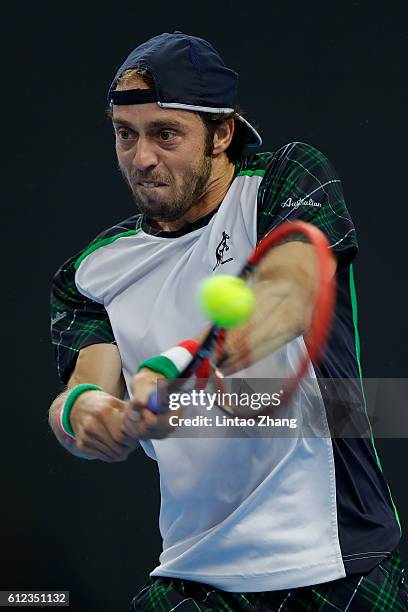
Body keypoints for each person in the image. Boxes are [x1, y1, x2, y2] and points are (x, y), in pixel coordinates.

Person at [49, 32, 407, 611]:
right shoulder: (91, 271)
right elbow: (85, 389)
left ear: (222, 133)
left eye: (166, 134)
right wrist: (84, 414)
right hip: (198, 574)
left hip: (338, 560)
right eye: (125, 134)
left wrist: (186, 361)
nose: (141, 158)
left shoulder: (285, 179)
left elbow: (288, 293)